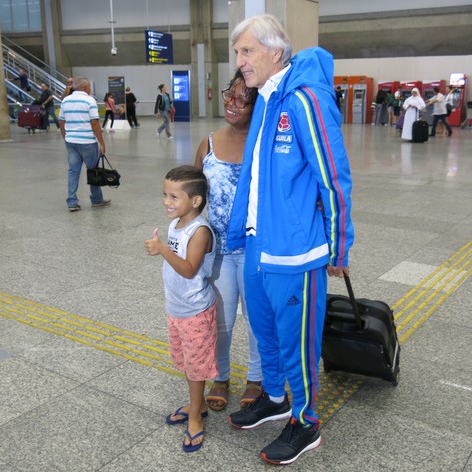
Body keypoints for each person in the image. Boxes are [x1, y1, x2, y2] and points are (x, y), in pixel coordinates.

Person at [226, 14, 354, 465]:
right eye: (238, 52)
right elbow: (256, 173)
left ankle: (305, 421)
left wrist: (339, 244)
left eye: (247, 51)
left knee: (296, 339)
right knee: (266, 330)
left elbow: (333, 178)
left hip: (298, 250)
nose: (239, 61)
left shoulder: (304, 100)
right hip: (261, 242)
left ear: (275, 51)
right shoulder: (266, 97)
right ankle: (276, 397)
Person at [194, 70, 262, 413]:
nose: (231, 104)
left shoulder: (265, 144)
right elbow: (195, 200)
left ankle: (256, 378)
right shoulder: (208, 142)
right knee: (220, 321)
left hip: (255, 251)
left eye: (241, 98)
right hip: (218, 252)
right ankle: (220, 376)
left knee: (256, 318)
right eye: (228, 95)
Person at [144, 165, 217, 453]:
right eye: (165, 195)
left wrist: (162, 250)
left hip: (196, 311)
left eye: (174, 197)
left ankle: (196, 416)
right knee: (187, 362)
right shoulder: (176, 224)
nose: (166, 202)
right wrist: (163, 248)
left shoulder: (199, 231)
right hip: (176, 307)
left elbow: (188, 270)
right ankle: (195, 403)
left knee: (197, 368)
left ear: (195, 201)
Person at [58, 77, 110, 211]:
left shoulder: (65, 100)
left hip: (71, 142)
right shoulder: (89, 100)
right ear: (86, 87)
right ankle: (97, 199)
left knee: (73, 172)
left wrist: (66, 137)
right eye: (90, 88)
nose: (90, 90)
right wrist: (102, 142)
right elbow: (94, 123)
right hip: (87, 142)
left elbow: (61, 121)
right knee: (93, 171)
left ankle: (72, 202)